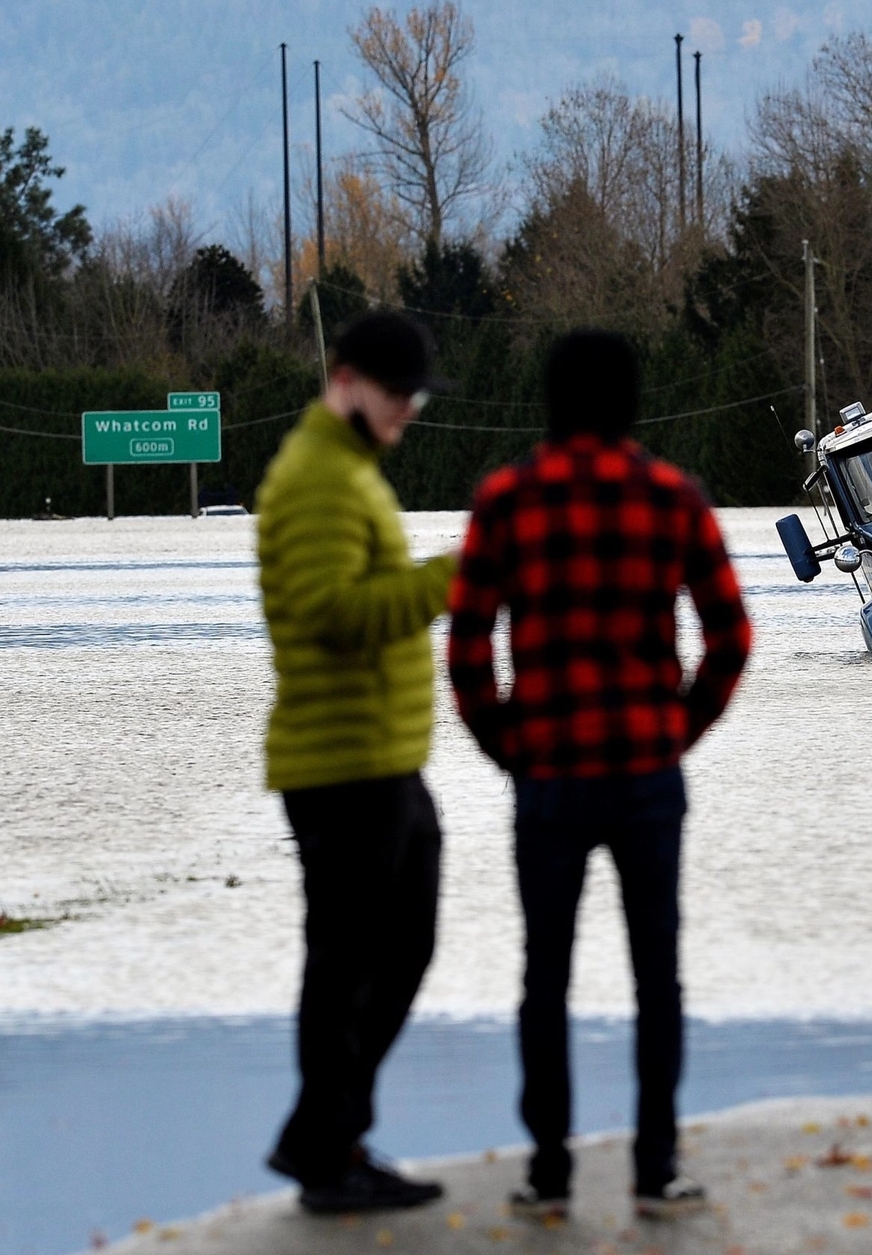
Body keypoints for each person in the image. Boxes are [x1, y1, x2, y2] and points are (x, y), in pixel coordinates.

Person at [446, 329, 752, 1220]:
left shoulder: (507, 501)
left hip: (549, 776)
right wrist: (676, 730)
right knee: (658, 975)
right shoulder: (672, 497)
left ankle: (549, 1173)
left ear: (549, 399)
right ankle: (656, 1169)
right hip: (647, 774)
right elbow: (730, 636)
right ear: (629, 400)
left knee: (546, 977)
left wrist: (509, 746)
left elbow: (467, 651)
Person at [255, 311, 457, 1214]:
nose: (408, 411)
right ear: (347, 382)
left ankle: (329, 1134)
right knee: (346, 963)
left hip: (379, 759)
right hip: (341, 766)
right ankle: (328, 1152)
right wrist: (460, 575)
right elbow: (334, 613)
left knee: (397, 948)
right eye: (397, 394)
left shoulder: (348, 473)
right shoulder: (319, 482)